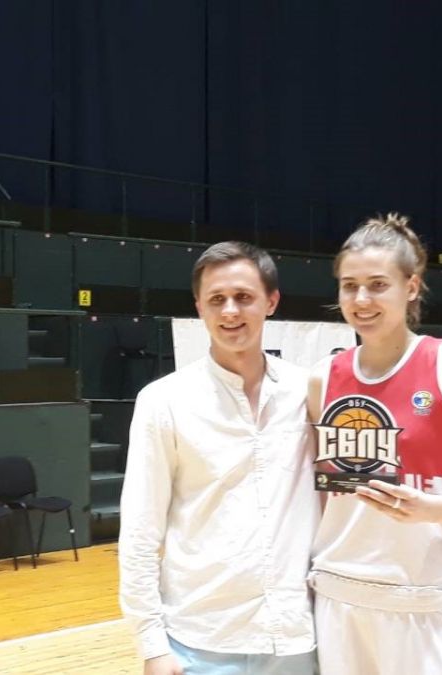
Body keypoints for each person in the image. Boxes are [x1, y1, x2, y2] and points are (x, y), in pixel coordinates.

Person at [307, 214, 442, 675]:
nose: (361, 300)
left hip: (426, 600)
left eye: (377, 285)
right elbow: (319, 499)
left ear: (411, 287)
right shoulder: (321, 378)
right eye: (349, 286)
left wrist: (431, 509)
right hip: (338, 599)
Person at [120, 242, 319, 675]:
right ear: (199, 307)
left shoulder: (310, 393)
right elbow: (139, 530)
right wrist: (151, 644)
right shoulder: (163, 401)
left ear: (271, 302)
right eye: (216, 299)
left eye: (244, 297)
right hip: (200, 642)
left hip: (297, 640)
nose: (230, 311)